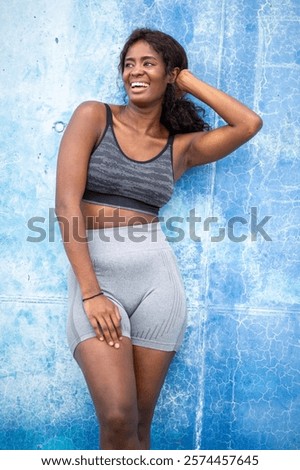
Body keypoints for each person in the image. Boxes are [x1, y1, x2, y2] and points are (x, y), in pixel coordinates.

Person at [55, 28, 262, 450]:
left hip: (157, 284)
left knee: (141, 427)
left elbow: (248, 124)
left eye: (148, 63)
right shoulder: (94, 115)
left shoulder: (179, 148)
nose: (135, 71)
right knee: (117, 417)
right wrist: (91, 294)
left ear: (169, 73)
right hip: (98, 282)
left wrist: (186, 81)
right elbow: (66, 204)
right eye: (129, 64)